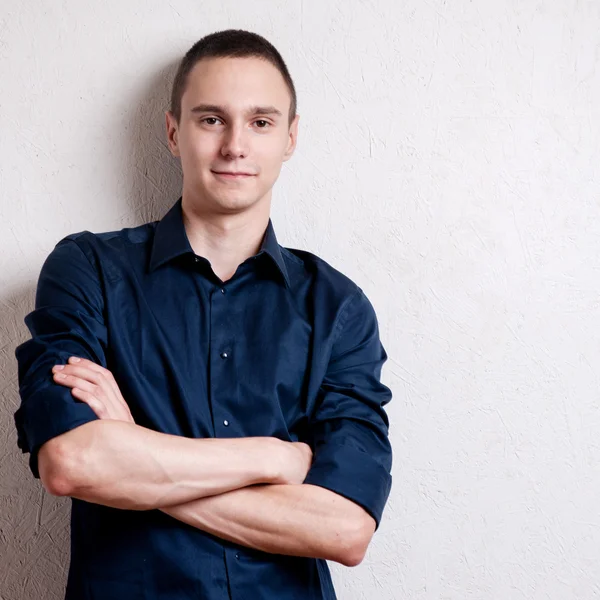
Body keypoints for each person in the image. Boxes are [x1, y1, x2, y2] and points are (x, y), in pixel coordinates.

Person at [14, 28, 393, 600]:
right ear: (174, 132)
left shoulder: (338, 308)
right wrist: (274, 458)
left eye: (261, 122)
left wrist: (134, 449)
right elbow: (73, 463)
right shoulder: (88, 268)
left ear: (290, 138)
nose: (235, 145)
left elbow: (344, 529)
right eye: (211, 119)